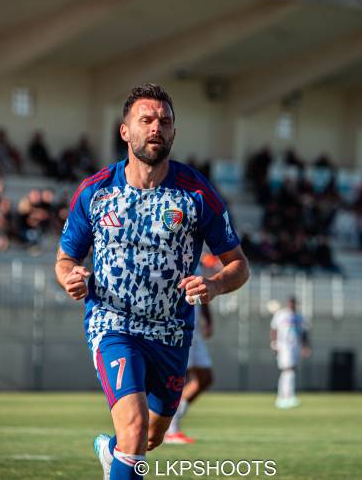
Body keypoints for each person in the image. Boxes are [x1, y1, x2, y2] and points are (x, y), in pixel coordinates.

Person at [54, 83, 249, 480]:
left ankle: (111, 452)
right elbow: (64, 259)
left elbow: (239, 265)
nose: (156, 127)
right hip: (113, 324)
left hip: (173, 333)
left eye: (165, 121)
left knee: (149, 438)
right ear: (125, 131)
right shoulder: (95, 192)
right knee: (134, 427)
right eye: (146, 119)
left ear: (175, 132)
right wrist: (70, 278)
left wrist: (213, 285)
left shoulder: (196, 194)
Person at [164, 252, 221, 444]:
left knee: (205, 378)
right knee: (180, 379)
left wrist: (208, 321)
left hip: (194, 330)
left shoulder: (195, 261)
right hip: (178, 327)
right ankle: (170, 429)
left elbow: (202, 293)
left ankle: (172, 421)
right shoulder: (171, 257)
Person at [270, 296, 310, 409]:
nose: (292, 305)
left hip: (295, 346)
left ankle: (282, 397)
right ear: (288, 304)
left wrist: (305, 346)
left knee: (288, 371)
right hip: (284, 345)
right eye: (291, 303)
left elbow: (304, 333)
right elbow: (274, 328)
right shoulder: (281, 315)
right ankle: (288, 396)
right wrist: (274, 343)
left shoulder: (300, 317)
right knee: (288, 369)